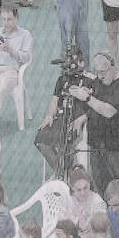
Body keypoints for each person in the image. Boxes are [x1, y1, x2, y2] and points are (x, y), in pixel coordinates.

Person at [68, 51, 119, 194]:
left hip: (118, 147)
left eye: (103, 72)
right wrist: (84, 116)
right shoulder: (99, 81)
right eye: (97, 72)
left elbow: (108, 111)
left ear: (113, 67)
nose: (100, 76)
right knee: (100, 185)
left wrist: (87, 98)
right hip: (97, 145)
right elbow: (95, 103)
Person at [34, 48, 91, 177]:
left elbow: (94, 106)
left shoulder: (90, 80)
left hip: (78, 119)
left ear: (81, 62)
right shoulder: (62, 80)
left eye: (73, 59)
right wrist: (49, 116)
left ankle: (65, 175)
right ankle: (64, 173)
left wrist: (82, 118)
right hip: (61, 117)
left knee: (65, 142)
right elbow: (55, 100)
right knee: (41, 139)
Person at [0, 5, 34, 127]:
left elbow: (27, 57)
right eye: (4, 19)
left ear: (16, 18)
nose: (6, 23)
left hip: (10, 71)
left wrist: (10, 50)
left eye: (9, 19)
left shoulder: (25, 35)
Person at [66, 166, 108, 234]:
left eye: (85, 188)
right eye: (78, 190)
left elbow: (101, 227)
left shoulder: (97, 201)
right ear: (73, 188)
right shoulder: (69, 201)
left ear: (89, 184)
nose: (83, 193)